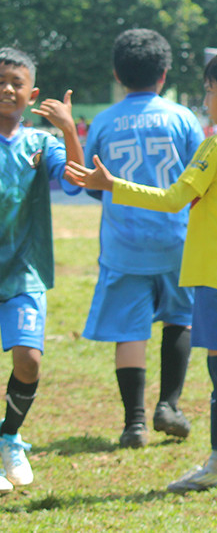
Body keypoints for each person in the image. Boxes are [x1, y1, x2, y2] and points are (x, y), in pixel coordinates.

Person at [67, 46, 217, 499]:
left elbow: (172, 199)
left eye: (208, 92)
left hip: (216, 274)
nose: (205, 100)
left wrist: (112, 186)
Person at [81, 29, 204, 448]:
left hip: (123, 244)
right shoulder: (182, 118)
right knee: (179, 319)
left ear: (118, 74)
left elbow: (94, 184)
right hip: (176, 238)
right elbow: (198, 178)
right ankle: (168, 404)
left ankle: (133, 422)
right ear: (164, 74)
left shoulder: (103, 121)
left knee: (130, 330)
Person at [0, 47, 83, 493]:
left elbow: (75, 178)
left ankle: (9, 436)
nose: (7, 89)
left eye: (16, 82)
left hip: (24, 274)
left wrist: (69, 129)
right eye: (0, 81)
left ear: (31, 94)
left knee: (29, 361)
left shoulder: (40, 143)